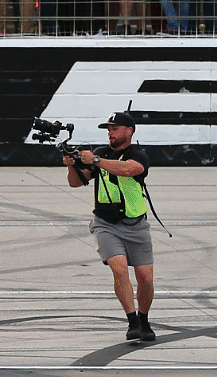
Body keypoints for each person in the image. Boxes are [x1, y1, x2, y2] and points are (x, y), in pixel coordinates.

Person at [63, 111, 157, 343]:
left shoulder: (138, 154)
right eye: (108, 129)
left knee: (145, 278)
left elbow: (127, 169)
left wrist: (95, 161)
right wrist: (71, 166)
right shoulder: (101, 153)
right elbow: (76, 183)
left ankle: (144, 319)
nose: (110, 132)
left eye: (114, 128)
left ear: (129, 131)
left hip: (136, 224)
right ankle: (132, 321)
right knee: (119, 269)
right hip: (106, 223)